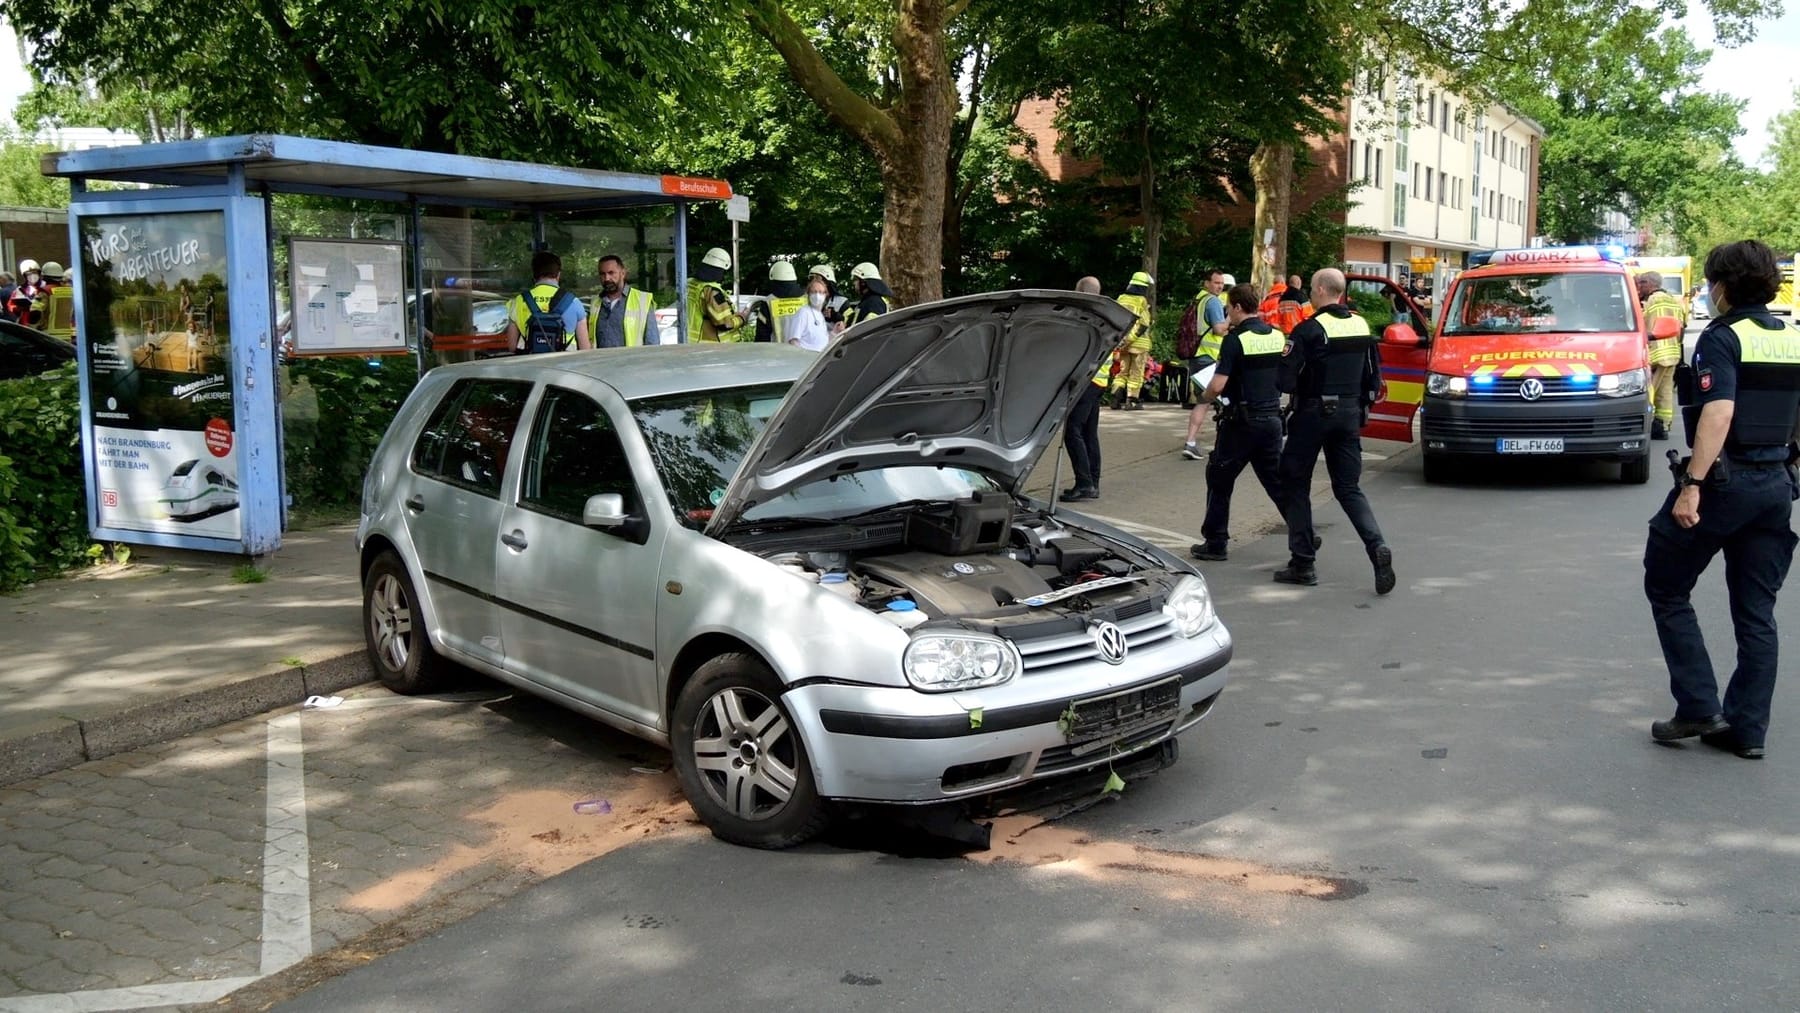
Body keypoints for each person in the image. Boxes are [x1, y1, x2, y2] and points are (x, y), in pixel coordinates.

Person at [1644, 239, 1800, 760]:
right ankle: (1747, 731)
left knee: (1666, 584)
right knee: (1757, 614)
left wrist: (1692, 485)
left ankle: (1698, 705)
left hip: (1726, 483)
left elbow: (1718, 414)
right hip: (1776, 485)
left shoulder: (1721, 337)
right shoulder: (1791, 337)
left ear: (1723, 286)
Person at [1274, 267, 1396, 593]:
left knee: (1295, 482)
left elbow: (1284, 380)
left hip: (1312, 414)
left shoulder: (1309, 330)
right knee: (1348, 488)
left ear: (1322, 290)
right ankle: (1377, 547)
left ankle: (1303, 563)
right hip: (1349, 415)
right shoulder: (1361, 325)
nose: (1311, 295)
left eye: (1313, 289)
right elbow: (1373, 377)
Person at [1189, 284, 1287, 561]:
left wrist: (1204, 396)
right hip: (1271, 420)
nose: (1227, 312)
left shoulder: (1235, 340)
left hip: (1241, 423)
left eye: (1228, 307)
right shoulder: (1276, 336)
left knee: (1219, 478)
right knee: (1276, 482)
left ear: (1238, 307)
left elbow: (1218, 385)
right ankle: (1302, 532)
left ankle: (1216, 543)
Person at [1061, 276, 1108, 501]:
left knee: (1073, 431)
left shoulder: (1084, 316)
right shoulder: (1107, 314)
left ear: (1079, 291)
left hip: (1086, 380)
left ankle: (1084, 482)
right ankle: (1093, 482)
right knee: (1089, 432)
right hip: (1100, 380)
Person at [503, 250, 589, 354]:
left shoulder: (518, 301)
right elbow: (585, 349)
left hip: (531, 366)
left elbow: (512, 347)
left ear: (534, 275)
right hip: (565, 367)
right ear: (558, 274)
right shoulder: (574, 302)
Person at [1182, 269, 1229, 453]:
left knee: (1203, 401)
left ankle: (1191, 442)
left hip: (1197, 357)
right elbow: (1218, 329)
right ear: (1207, 283)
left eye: (1221, 283)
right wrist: (1230, 319)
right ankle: (1222, 444)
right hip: (1208, 358)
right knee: (1221, 400)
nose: (1219, 286)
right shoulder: (1213, 302)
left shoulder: (1199, 299)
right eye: (1216, 283)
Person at [1638, 270, 1688, 440]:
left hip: (1656, 353)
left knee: (1648, 392)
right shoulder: (1674, 301)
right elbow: (1681, 328)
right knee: (1665, 393)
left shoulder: (1651, 301)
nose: (1639, 287)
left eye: (1641, 284)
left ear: (1649, 284)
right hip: (1672, 353)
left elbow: (1642, 325)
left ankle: (1643, 424)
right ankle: (1662, 425)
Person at [1107, 271, 1154, 411]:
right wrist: (1131, 339)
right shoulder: (1142, 301)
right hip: (1139, 344)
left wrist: (1123, 341)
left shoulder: (1121, 299)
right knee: (1136, 373)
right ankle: (1132, 401)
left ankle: (1115, 399)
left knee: (1122, 372)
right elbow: (1144, 323)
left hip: (1122, 343)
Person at [589, 254, 658, 348]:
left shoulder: (642, 301)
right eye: (602, 274)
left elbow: (652, 343)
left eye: (611, 273)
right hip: (601, 361)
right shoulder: (595, 303)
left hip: (632, 361)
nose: (607, 278)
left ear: (623, 273)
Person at [687, 247, 748, 342]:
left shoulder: (690, 284)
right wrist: (741, 318)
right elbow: (724, 324)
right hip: (711, 345)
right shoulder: (712, 291)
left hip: (691, 341)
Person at [755, 261, 807, 343]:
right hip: (806, 353)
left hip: (778, 353)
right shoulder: (807, 299)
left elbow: (762, 336)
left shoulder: (768, 302)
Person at [784, 273, 834, 352]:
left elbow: (821, 342)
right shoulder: (803, 313)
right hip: (806, 361)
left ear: (825, 294)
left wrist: (835, 332)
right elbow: (793, 341)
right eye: (814, 292)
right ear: (808, 294)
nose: (817, 295)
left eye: (821, 292)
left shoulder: (820, 315)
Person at [842, 262, 892, 329]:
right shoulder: (868, 301)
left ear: (863, 282)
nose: (854, 283)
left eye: (856, 279)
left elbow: (870, 329)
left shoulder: (874, 303)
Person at [808, 263, 847, 333]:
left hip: (834, 342)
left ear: (827, 281)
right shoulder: (807, 300)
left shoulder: (842, 302)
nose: (813, 282)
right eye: (811, 278)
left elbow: (851, 323)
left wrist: (837, 316)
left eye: (816, 278)